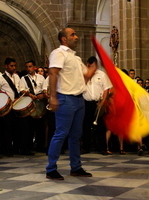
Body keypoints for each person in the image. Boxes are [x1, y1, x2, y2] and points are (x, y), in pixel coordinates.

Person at [46, 28, 97, 180]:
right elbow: (53, 73)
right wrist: (53, 97)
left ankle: (76, 167)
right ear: (64, 39)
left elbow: (86, 76)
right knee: (61, 134)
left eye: (76, 34)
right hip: (65, 98)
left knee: (76, 136)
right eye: (73, 35)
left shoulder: (76, 58)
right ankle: (51, 169)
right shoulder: (58, 53)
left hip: (79, 99)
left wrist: (95, 66)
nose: (76, 37)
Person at [81, 56, 112, 155]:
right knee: (85, 126)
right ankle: (86, 147)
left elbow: (106, 89)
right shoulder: (84, 75)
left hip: (98, 103)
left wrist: (103, 102)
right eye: (89, 66)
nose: (90, 67)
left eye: (92, 66)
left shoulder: (102, 75)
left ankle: (102, 148)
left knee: (100, 127)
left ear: (96, 65)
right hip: (86, 103)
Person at [0, 57, 21, 156]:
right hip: (7, 106)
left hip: (16, 105)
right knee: (7, 129)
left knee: (16, 128)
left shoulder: (17, 77)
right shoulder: (0, 78)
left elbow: (18, 90)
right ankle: (6, 149)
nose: (14, 68)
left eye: (15, 66)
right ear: (6, 66)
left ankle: (16, 148)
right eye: (11, 66)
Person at [20, 60, 46, 153]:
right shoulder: (24, 78)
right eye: (27, 67)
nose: (28, 68)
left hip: (40, 104)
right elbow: (21, 89)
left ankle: (40, 146)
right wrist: (29, 94)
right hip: (30, 104)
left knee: (40, 127)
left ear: (34, 67)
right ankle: (28, 147)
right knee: (29, 127)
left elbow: (44, 89)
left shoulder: (41, 78)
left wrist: (42, 95)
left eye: (30, 66)